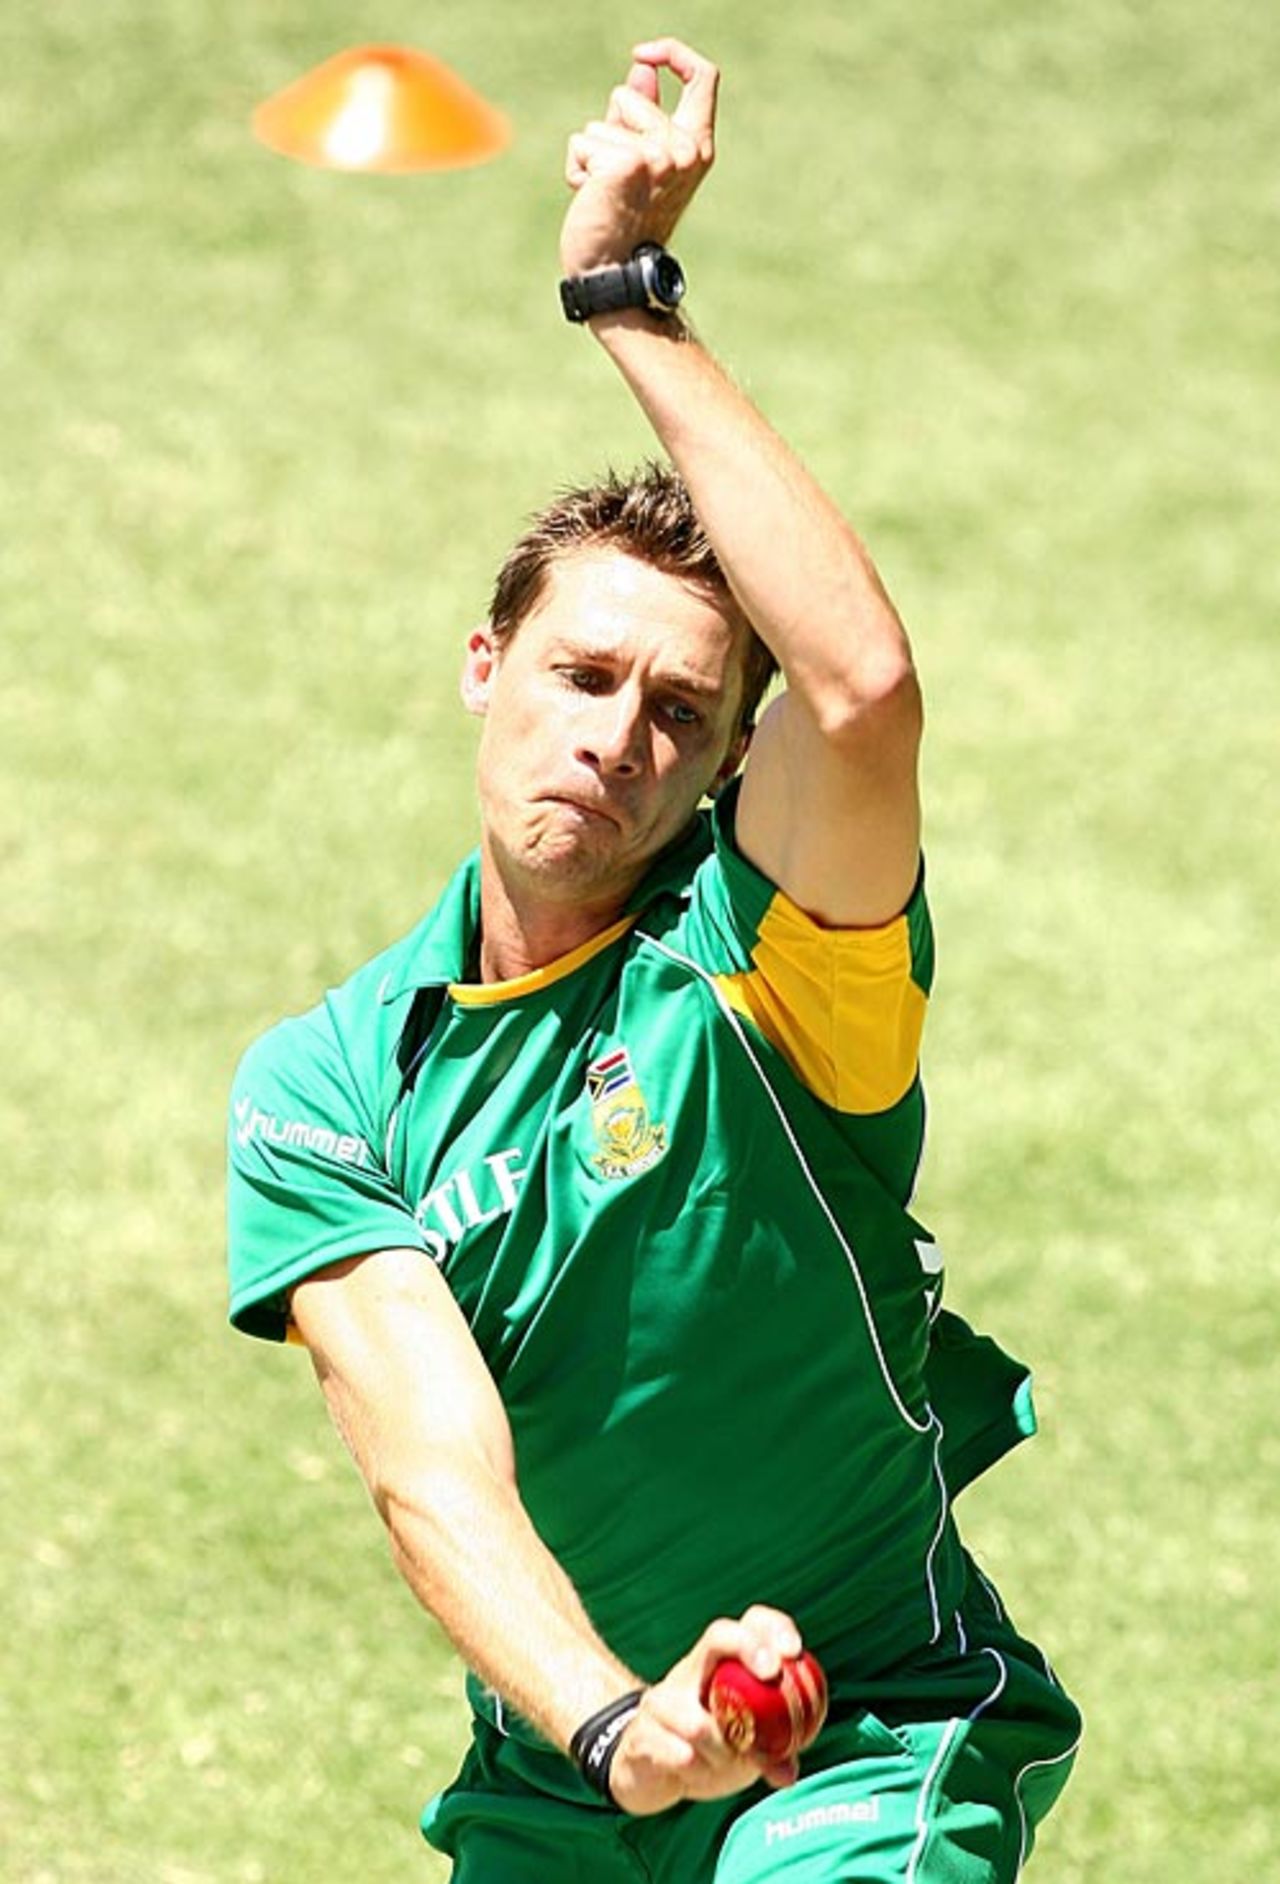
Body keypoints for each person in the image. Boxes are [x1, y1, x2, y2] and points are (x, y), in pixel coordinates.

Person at [226, 36, 1080, 1882]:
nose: (616, 735)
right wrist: (620, 1727)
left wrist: (626, 295)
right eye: (581, 676)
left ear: (722, 761)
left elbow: (859, 691)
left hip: (866, 1735)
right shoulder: (333, 1083)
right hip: (566, 1764)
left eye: (680, 710)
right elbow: (425, 1460)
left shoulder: (771, 965)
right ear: (486, 670)